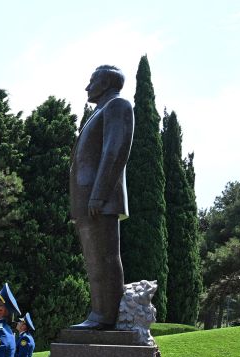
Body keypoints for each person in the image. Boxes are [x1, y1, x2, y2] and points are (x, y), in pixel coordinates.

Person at [69, 65, 134, 330]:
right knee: (94, 259)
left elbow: (114, 152)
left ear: (105, 83)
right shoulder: (100, 110)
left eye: (92, 81)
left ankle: (106, 317)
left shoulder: (118, 106)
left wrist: (98, 194)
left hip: (99, 199)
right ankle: (99, 313)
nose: (87, 87)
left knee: (104, 257)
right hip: (87, 200)